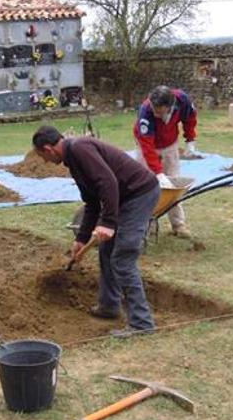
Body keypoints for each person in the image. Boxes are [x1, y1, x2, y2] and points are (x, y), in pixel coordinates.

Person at [32, 125, 160, 337]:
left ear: (48, 149)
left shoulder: (80, 148)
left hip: (139, 194)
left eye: (43, 156)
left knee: (122, 257)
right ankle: (109, 306)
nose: (45, 162)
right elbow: (91, 202)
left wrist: (108, 223)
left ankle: (141, 323)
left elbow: (108, 182)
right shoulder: (73, 159)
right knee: (106, 251)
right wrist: (81, 239)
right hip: (124, 198)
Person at [133, 85, 197, 238]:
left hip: (169, 144)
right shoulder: (145, 111)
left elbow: (190, 118)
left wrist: (190, 139)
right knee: (147, 186)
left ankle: (178, 224)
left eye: (159, 111)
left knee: (173, 184)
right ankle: (148, 224)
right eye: (154, 109)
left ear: (169, 106)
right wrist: (157, 173)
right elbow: (147, 147)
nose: (155, 113)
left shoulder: (182, 100)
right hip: (148, 145)